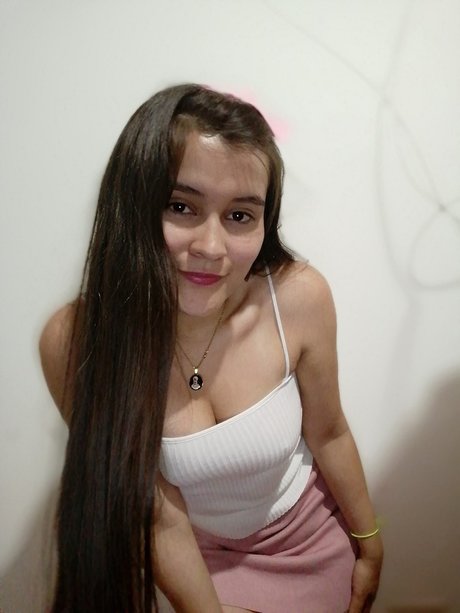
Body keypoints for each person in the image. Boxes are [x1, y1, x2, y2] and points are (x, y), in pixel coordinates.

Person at [39, 83, 383, 613]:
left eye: (240, 216)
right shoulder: (79, 340)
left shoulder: (298, 297)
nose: (211, 247)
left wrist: (369, 542)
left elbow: (329, 430)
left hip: (312, 540)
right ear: (133, 204)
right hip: (197, 562)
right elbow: (155, 512)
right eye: (181, 206)